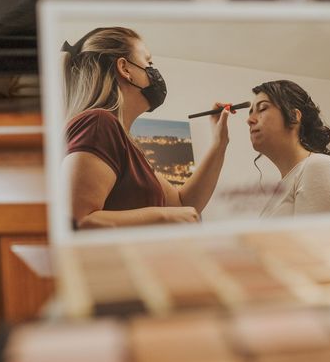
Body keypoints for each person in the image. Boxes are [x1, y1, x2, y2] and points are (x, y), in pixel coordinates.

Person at [62, 26, 232, 229]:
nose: (153, 70)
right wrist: (162, 217)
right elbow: (77, 220)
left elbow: (182, 204)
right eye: (148, 62)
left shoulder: (125, 143)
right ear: (125, 69)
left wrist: (219, 143)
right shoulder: (99, 123)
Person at [247, 80, 330, 217]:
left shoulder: (319, 166)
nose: (250, 120)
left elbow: (312, 238)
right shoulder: (284, 187)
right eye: (250, 112)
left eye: (263, 108)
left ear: (294, 116)